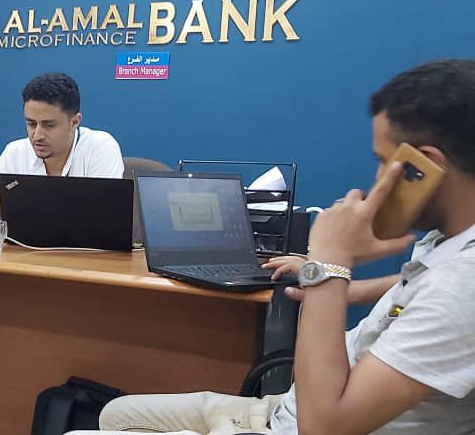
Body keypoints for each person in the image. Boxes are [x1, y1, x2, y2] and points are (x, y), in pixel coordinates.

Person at [74, 59, 475, 435]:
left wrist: (330, 264)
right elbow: (420, 293)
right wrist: (344, 286)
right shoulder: (449, 247)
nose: (377, 178)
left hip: (303, 421)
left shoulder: (461, 285)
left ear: (425, 167)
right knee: (114, 414)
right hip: (283, 408)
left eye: (383, 161)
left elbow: (323, 427)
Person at [0, 72, 124, 234]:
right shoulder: (15, 152)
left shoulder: (100, 148)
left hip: (85, 259)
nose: (37, 135)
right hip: (25, 258)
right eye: (31, 124)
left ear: (75, 122)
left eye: (49, 125)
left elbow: (104, 222)